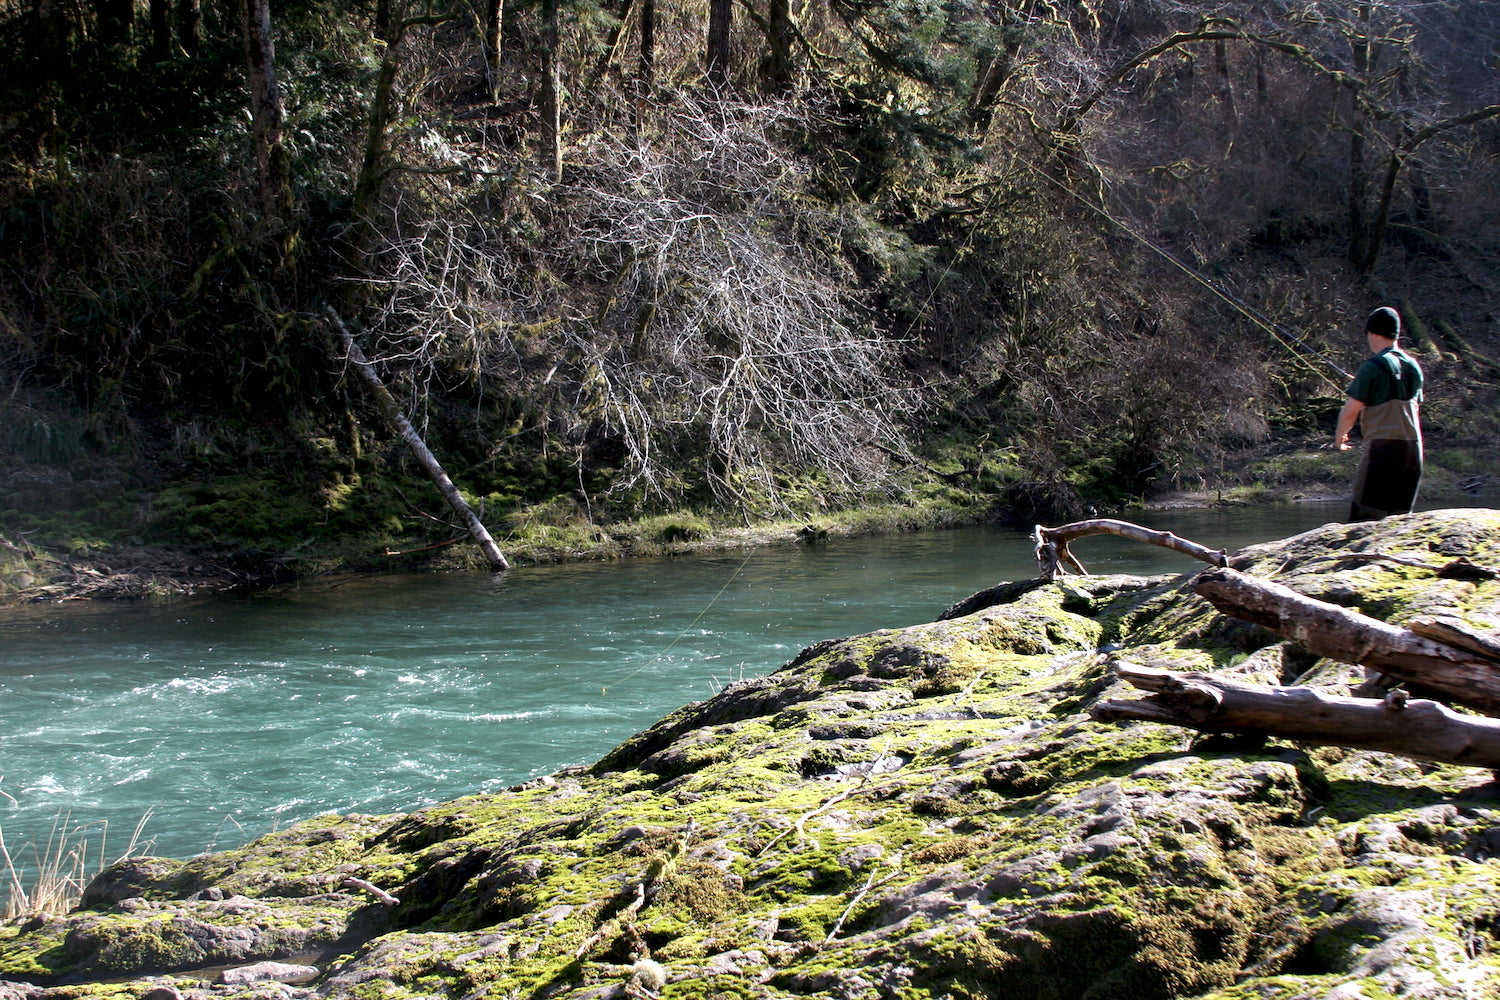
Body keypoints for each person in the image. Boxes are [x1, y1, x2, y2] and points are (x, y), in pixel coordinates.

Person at [1334, 306, 1424, 521]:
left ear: (1373, 333)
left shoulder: (1371, 367)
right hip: (1414, 450)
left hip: (1383, 451)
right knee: (1400, 521)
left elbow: (1349, 413)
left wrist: (1340, 437)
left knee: (1363, 519)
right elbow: (1414, 406)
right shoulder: (1413, 366)